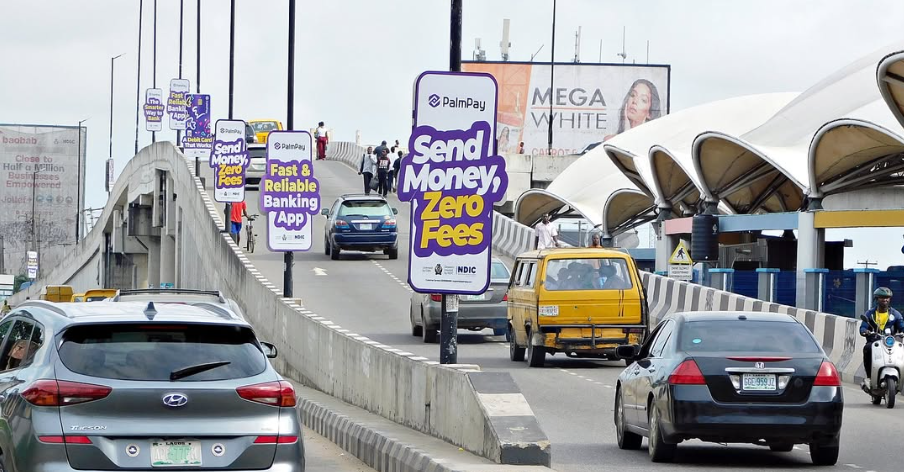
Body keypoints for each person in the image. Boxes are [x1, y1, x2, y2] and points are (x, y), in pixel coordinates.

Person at [859, 287, 903, 387]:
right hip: (874, 342)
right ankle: (869, 377)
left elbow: (901, 326)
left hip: (890, 343)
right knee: (867, 348)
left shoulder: (895, 314)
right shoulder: (870, 314)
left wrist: (902, 331)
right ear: (877, 299)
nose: (885, 300)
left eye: (887, 298)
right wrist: (865, 331)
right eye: (882, 297)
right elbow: (863, 327)